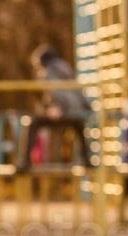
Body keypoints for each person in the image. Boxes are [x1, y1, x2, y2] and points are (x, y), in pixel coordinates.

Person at [16, 44, 90, 172]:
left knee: (32, 123)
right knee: (79, 125)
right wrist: (85, 109)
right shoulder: (67, 69)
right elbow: (80, 93)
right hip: (76, 113)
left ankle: (24, 161)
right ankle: (87, 159)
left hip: (63, 111)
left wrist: (58, 107)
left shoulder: (47, 72)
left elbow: (55, 91)